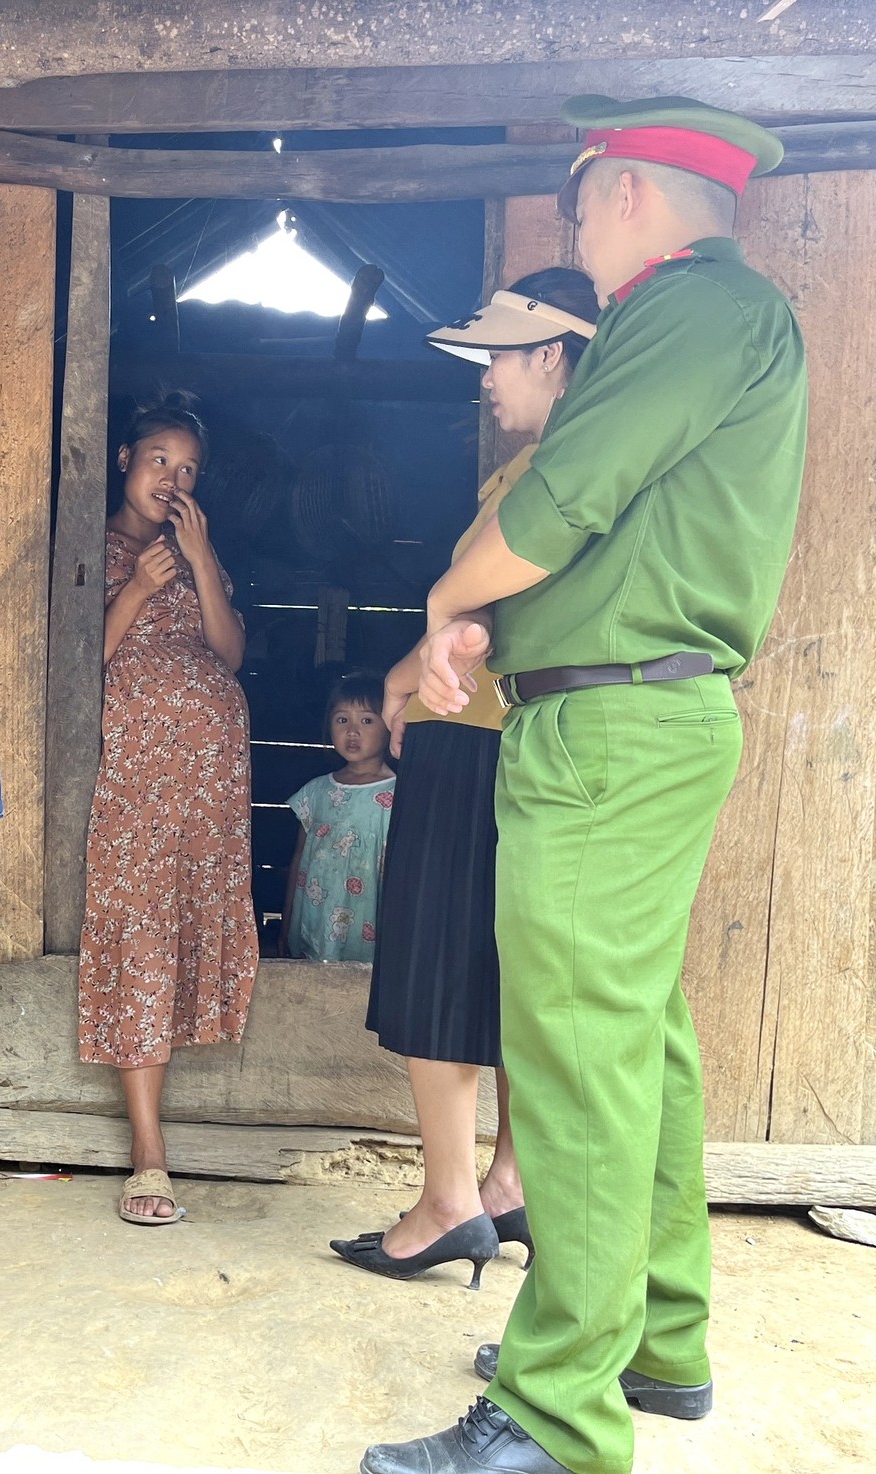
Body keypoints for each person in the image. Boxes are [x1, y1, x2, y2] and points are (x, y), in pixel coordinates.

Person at [362, 97, 808, 1474]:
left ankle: (559, 1411)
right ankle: (654, 1343)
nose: (574, 230)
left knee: (575, 1060)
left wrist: (444, 598)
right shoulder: (714, 321)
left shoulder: (682, 309)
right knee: (640, 1049)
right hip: (632, 717)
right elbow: (607, 528)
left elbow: (558, 502)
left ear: (621, 194)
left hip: (608, 736)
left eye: (575, 206)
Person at [332, 269, 599, 1289]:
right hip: (524, 747)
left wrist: (402, 685)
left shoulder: (540, 480)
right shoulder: (576, 470)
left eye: (500, 355)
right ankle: (504, 1180)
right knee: (508, 973)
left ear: (549, 355)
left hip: (469, 741)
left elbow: (474, 620)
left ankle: (446, 1200)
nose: (486, 378)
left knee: (437, 965)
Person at [78, 393, 257, 1226]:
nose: (173, 479)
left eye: (188, 470)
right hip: (138, 780)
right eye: (159, 461)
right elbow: (74, 661)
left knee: (180, 925)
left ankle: (186, 1127)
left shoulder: (196, 553)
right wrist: (137, 591)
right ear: (124, 459)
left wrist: (202, 555)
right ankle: (149, 1156)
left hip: (208, 786)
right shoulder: (92, 543)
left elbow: (226, 652)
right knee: (140, 930)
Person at [279, 672, 395, 964]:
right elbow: (298, 860)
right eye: (342, 720)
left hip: (371, 926)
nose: (352, 732)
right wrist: (286, 921)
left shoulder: (399, 796)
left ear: (391, 725)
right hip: (315, 922)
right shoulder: (316, 792)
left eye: (367, 721)